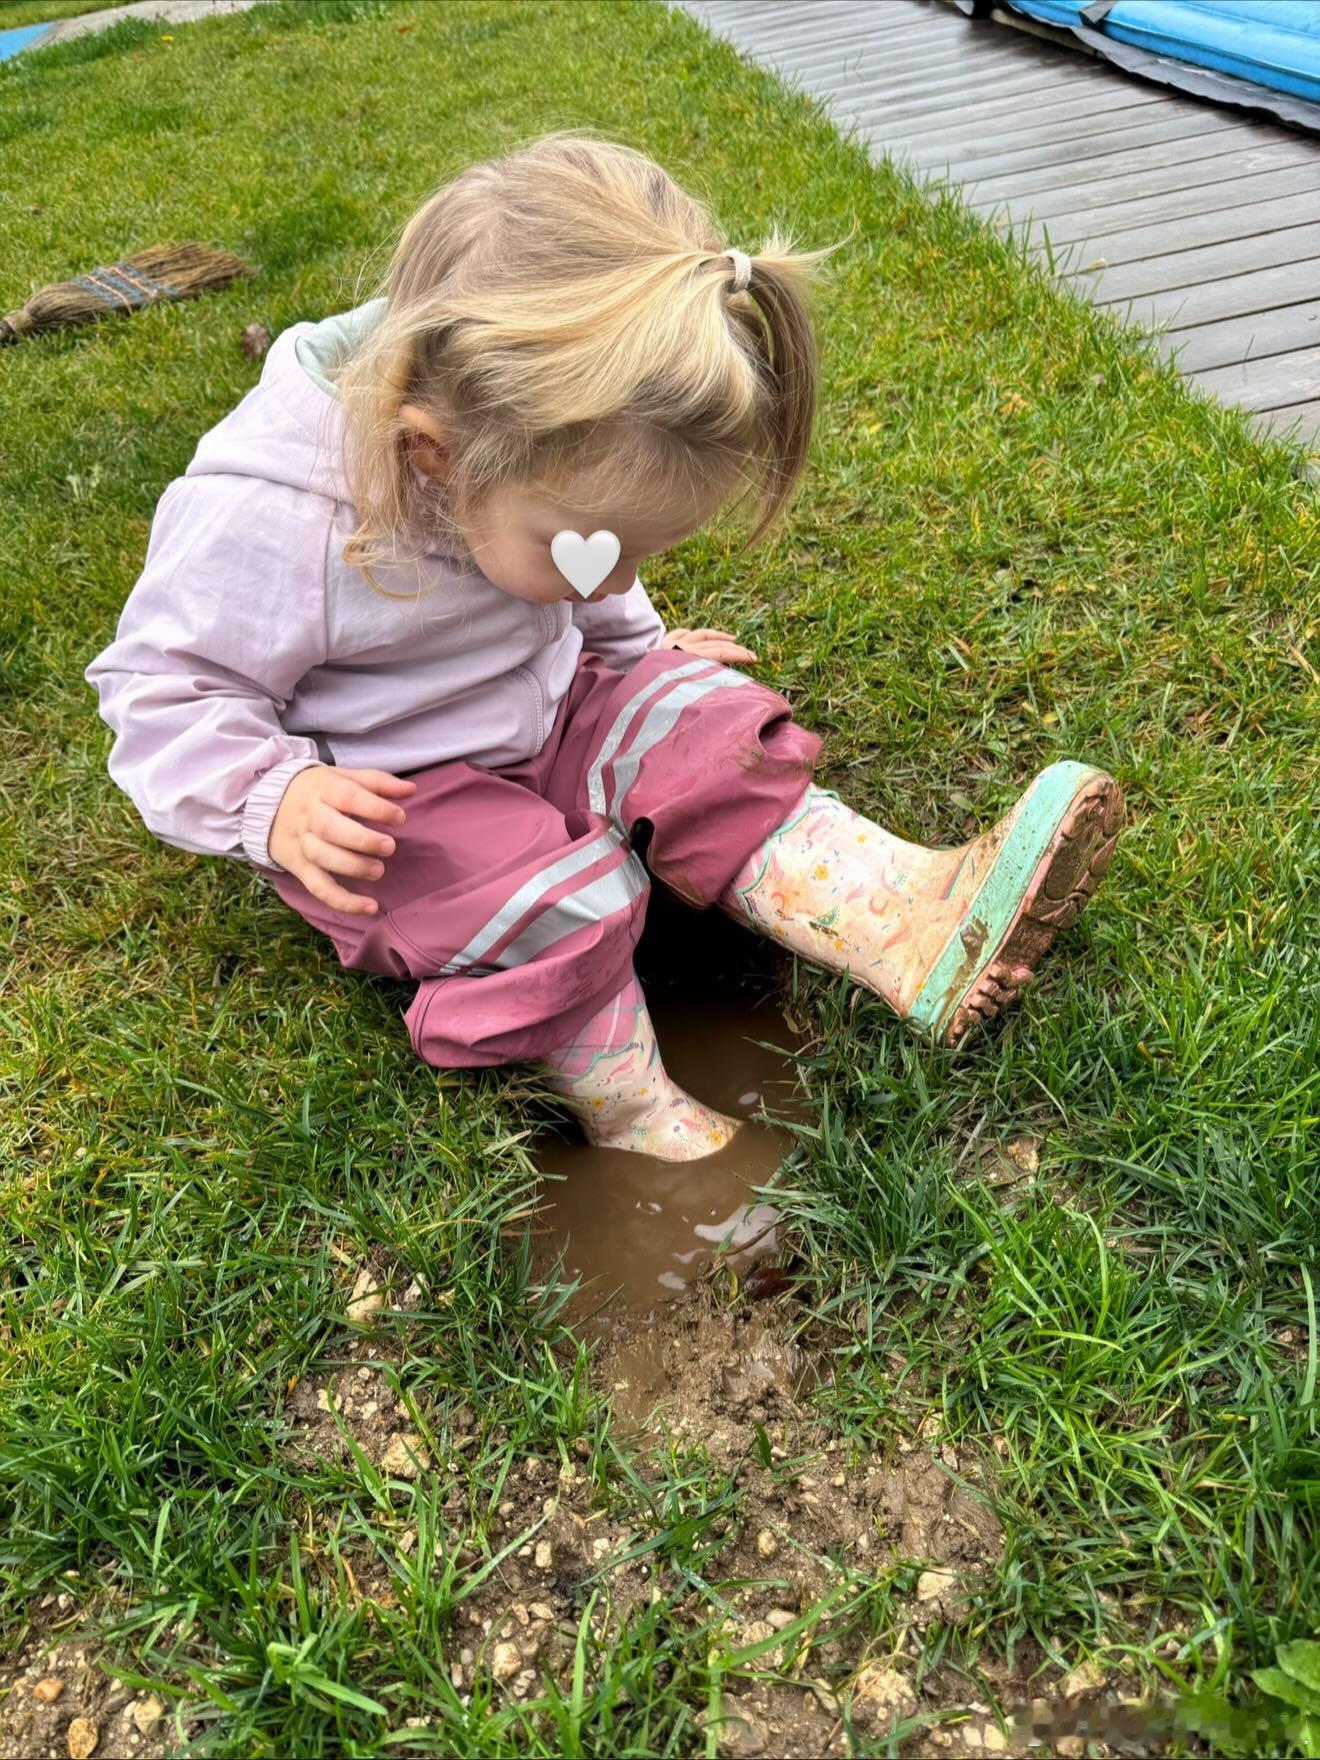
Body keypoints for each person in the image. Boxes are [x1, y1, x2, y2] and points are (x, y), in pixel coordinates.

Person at [84, 132, 1123, 1163]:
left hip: (538, 709)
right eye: (590, 548)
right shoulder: (275, 520)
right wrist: (275, 801)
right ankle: (629, 1111)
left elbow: (594, 585)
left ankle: (903, 918)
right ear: (433, 456)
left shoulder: (534, 476)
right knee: (557, 899)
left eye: (643, 550)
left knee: (706, 729)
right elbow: (159, 690)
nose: (617, 579)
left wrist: (646, 653)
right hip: (389, 799)